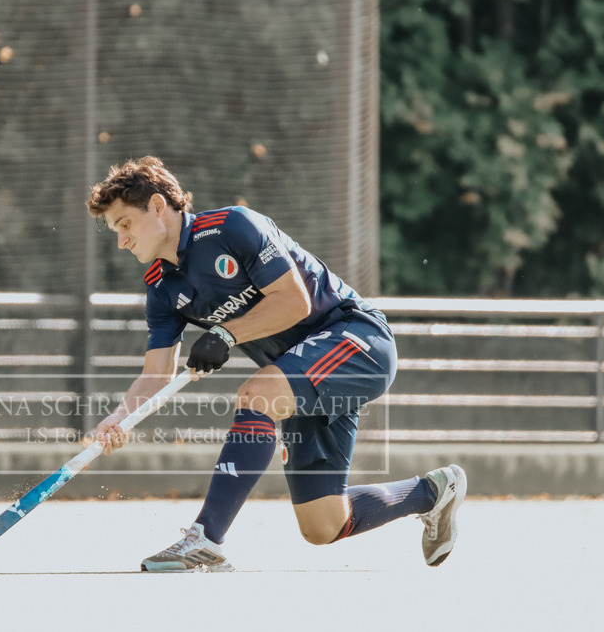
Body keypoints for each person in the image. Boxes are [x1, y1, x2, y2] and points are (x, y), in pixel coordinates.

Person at [87, 156, 466, 572]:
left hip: (356, 340)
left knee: (256, 394)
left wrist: (226, 333)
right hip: (297, 374)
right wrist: (120, 417)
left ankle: (205, 540)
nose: (121, 241)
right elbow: (157, 373)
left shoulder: (232, 227)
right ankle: (434, 492)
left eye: (124, 224)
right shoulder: (161, 288)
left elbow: (294, 301)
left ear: (158, 206)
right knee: (323, 524)